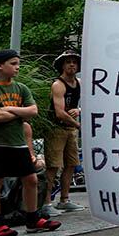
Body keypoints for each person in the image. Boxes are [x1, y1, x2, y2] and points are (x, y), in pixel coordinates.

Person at [0, 50, 60, 236]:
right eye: (13, 63)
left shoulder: (21, 88)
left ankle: (32, 219)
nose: (17, 67)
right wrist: (19, 113)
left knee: (30, 179)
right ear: (0, 65)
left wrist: (9, 109)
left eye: (17, 63)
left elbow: (33, 110)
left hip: (18, 143)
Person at [43, 51, 83, 216]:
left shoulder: (79, 83)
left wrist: (78, 109)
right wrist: (78, 125)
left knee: (71, 164)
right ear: (62, 66)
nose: (72, 65)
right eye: (68, 62)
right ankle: (45, 203)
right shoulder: (58, 85)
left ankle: (64, 200)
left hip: (70, 129)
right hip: (56, 129)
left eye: (74, 62)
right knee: (53, 166)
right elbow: (59, 112)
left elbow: (90, 100)